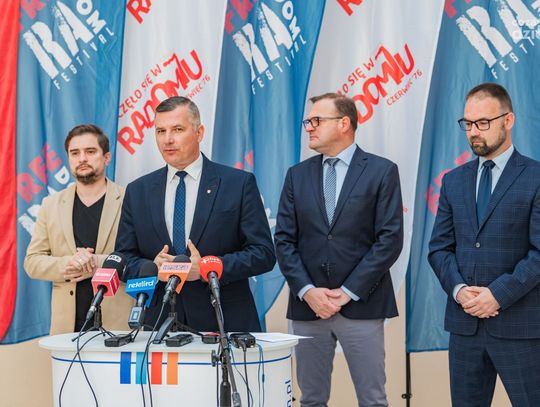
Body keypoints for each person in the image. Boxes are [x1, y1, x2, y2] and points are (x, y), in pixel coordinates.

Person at [275, 93, 403, 407]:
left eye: (317, 120)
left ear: (344, 123)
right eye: (308, 121)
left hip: (362, 304)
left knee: (373, 400)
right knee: (311, 399)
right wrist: (307, 291)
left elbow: (389, 240)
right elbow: (284, 241)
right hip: (309, 308)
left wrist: (347, 292)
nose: (309, 127)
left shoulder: (381, 171)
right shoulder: (297, 175)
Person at [115, 96, 275, 332]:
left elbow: (263, 254)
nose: (168, 139)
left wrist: (207, 268)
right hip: (159, 324)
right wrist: (152, 267)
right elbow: (124, 258)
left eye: (177, 129)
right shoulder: (138, 191)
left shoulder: (238, 184)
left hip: (224, 321)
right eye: (160, 131)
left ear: (199, 132)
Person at [429, 83, 540, 406]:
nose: (473, 132)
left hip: (521, 327)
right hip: (465, 327)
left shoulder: (535, 177)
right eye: (468, 124)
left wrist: (497, 295)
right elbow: (439, 249)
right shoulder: (453, 180)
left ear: (508, 120)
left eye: (482, 123)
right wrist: (459, 290)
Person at [24, 124, 133, 334]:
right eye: (75, 153)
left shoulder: (129, 200)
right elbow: (32, 262)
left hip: (117, 326)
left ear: (106, 157)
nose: (82, 158)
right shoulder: (50, 204)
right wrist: (70, 263)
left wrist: (96, 262)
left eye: (90, 151)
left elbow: (142, 259)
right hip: (66, 329)